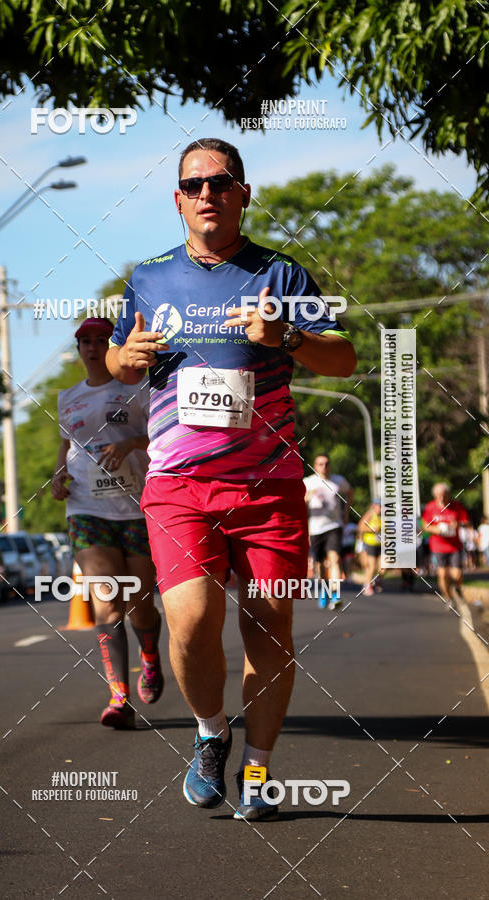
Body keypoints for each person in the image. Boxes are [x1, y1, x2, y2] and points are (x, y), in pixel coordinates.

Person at [106, 138, 356, 820]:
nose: (207, 193)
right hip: (180, 488)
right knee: (189, 623)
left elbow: (345, 357)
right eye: (194, 184)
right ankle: (212, 732)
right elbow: (123, 363)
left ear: (243, 193)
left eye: (221, 181)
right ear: (178, 199)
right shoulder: (149, 278)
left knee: (270, 627)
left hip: (269, 486)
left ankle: (257, 768)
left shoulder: (282, 275)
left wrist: (290, 339)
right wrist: (123, 356)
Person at [52, 317, 163, 729]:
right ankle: (119, 697)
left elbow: (167, 437)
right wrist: (57, 478)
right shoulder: (68, 398)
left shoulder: (138, 388)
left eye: (102, 340)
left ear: (113, 344)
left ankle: (149, 655)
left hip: (137, 507)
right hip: (86, 508)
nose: (94, 347)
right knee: (107, 599)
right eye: (86, 341)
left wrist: (132, 442)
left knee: (140, 604)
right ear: (79, 349)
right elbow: (66, 448)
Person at [303, 454, 353, 609]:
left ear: (330, 465)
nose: (324, 467)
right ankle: (324, 590)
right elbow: (299, 502)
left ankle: (336, 594)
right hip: (316, 528)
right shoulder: (308, 482)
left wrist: (346, 512)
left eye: (326, 464)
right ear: (315, 466)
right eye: (320, 464)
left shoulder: (338, 480)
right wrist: (306, 498)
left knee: (335, 559)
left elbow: (349, 492)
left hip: (334, 526)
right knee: (320, 564)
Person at [422, 482, 469, 608]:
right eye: (438, 496)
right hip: (437, 547)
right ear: (435, 496)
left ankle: (458, 588)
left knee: (457, 574)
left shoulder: (457, 506)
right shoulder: (431, 507)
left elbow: (466, 522)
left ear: (448, 495)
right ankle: (448, 598)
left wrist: (458, 524)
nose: (441, 498)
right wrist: (435, 529)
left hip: (455, 547)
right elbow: (425, 526)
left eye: (444, 495)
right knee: (442, 574)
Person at [358, 499, 384, 595]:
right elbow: (360, 527)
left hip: (381, 544)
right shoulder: (370, 514)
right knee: (371, 566)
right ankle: (367, 585)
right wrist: (371, 529)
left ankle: (377, 580)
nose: (380, 509)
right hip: (370, 543)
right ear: (374, 506)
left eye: (382, 506)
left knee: (383, 566)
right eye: (378, 506)